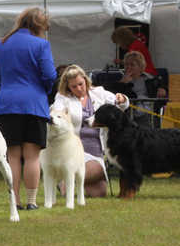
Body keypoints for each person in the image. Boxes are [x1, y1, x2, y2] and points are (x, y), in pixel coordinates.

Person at [0, 7, 57, 211]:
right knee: (31, 156)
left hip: (7, 104)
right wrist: (43, 90)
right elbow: (50, 75)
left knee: (12, 155)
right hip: (34, 104)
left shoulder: (1, 45)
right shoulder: (41, 45)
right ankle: (31, 201)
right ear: (40, 27)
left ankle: (15, 200)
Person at [50, 65, 129, 197]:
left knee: (99, 193)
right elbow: (56, 113)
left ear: (86, 81)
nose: (79, 89)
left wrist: (122, 99)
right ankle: (67, 181)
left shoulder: (99, 92)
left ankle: (68, 181)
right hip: (74, 151)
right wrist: (57, 114)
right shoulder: (62, 98)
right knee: (91, 174)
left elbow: (122, 104)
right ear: (68, 87)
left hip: (97, 152)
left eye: (81, 84)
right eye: (74, 87)